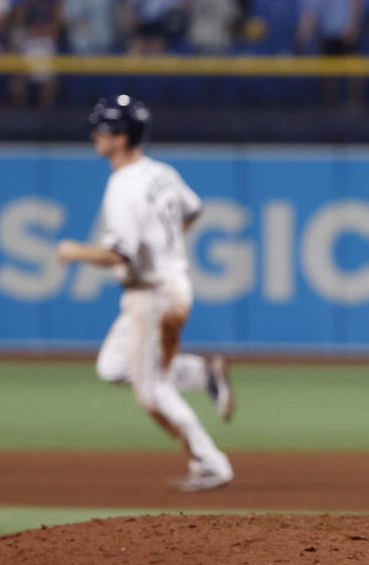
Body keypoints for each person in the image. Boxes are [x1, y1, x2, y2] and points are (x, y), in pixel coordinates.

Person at [56, 95, 235, 492]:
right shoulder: (161, 173)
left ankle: (211, 463)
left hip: (153, 295)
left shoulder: (123, 186)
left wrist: (73, 251)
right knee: (113, 366)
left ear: (120, 138)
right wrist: (166, 252)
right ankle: (202, 372)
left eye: (102, 128)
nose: (95, 134)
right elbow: (192, 210)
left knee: (152, 388)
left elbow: (118, 253)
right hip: (167, 287)